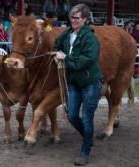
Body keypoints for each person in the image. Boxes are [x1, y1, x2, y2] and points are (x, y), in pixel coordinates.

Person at [53, 4, 102, 166]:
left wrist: (65, 58)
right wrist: (55, 54)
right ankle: (88, 138)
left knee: (87, 119)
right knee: (72, 115)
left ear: (85, 19)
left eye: (77, 18)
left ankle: (85, 151)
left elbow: (84, 61)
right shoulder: (67, 34)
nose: (73, 20)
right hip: (74, 82)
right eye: (71, 17)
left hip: (90, 83)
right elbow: (56, 44)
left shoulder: (91, 39)